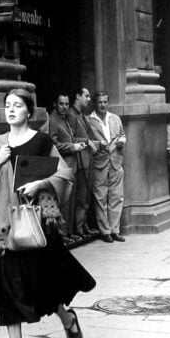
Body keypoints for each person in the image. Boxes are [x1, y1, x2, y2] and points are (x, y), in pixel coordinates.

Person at [0, 88, 96, 338]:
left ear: (28, 112)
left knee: (43, 282)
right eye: (7, 105)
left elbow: (64, 174)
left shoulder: (42, 141)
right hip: (4, 226)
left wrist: (40, 183)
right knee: (8, 290)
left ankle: (66, 318)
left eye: (17, 105)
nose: (11, 110)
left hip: (38, 223)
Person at [46, 93, 92, 241]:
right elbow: (53, 143)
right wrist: (72, 147)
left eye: (66, 104)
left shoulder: (65, 118)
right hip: (63, 165)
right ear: (55, 104)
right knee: (64, 202)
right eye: (61, 104)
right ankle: (63, 234)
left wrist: (83, 143)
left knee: (72, 200)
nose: (64, 107)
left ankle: (70, 232)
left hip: (73, 164)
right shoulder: (53, 120)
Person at [86, 91, 126, 243]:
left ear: (108, 103)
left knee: (116, 196)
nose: (102, 105)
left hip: (116, 160)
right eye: (99, 102)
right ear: (95, 104)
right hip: (99, 162)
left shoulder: (115, 118)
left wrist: (122, 140)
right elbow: (87, 141)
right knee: (101, 197)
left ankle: (115, 230)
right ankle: (105, 231)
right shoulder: (89, 120)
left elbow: (122, 134)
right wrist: (97, 144)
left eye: (105, 102)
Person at [70, 88, 98, 237]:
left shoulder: (81, 115)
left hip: (87, 159)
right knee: (81, 196)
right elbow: (70, 137)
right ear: (77, 96)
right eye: (86, 96)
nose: (88, 99)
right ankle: (79, 228)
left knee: (86, 195)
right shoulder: (70, 114)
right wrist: (87, 141)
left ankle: (84, 225)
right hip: (79, 161)